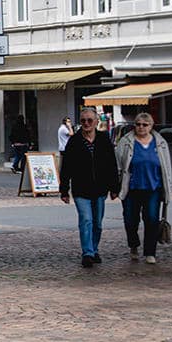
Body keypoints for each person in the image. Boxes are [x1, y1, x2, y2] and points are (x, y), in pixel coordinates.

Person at [59, 107, 120, 267]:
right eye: (83, 120)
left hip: (100, 189)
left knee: (97, 223)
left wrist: (114, 187)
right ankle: (87, 253)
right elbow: (66, 167)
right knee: (86, 220)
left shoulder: (103, 139)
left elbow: (111, 165)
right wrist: (64, 190)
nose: (86, 123)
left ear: (96, 122)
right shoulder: (74, 141)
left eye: (89, 120)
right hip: (81, 189)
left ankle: (94, 248)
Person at [116, 111, 172, 264]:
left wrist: (167, 189)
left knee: (152, 220)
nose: (141, 127)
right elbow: (118, 164)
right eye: (138, 124)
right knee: (130, 220)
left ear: (151, 126)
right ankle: (133, 245)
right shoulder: (126, 141)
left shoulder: (160, 143)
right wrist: (116, 186)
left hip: (153, 187)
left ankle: (150, 252)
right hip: (131, 188)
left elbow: (167, 167)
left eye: (144, 125)